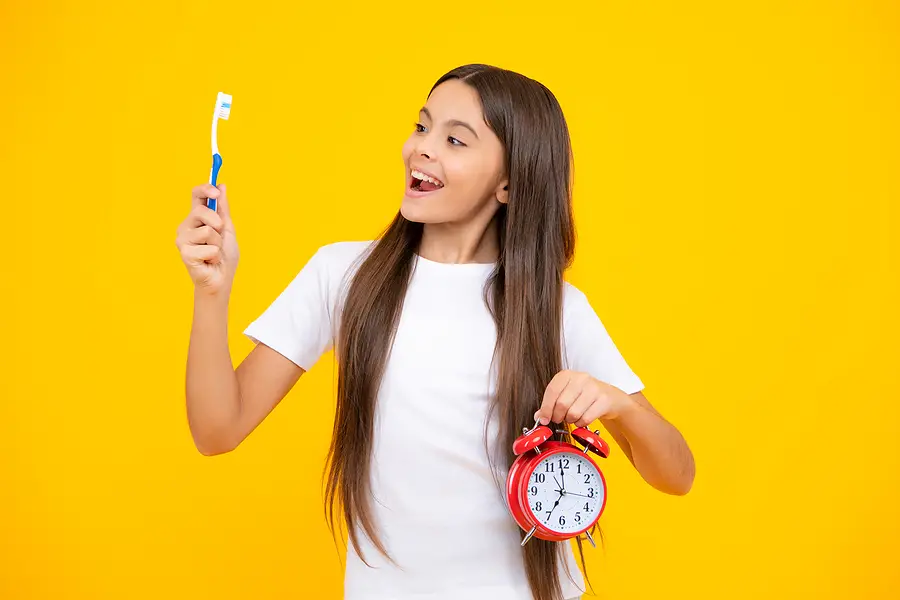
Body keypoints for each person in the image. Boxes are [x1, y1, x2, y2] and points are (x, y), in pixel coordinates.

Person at [175, 64, 695, 600]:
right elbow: (217, 430)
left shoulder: (554, 309)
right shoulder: (344, 277)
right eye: (422, 127)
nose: (420, 148)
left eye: (454, 139)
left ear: (510, 183)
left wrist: (620, 407)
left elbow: (677, 475)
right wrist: (212, 292)